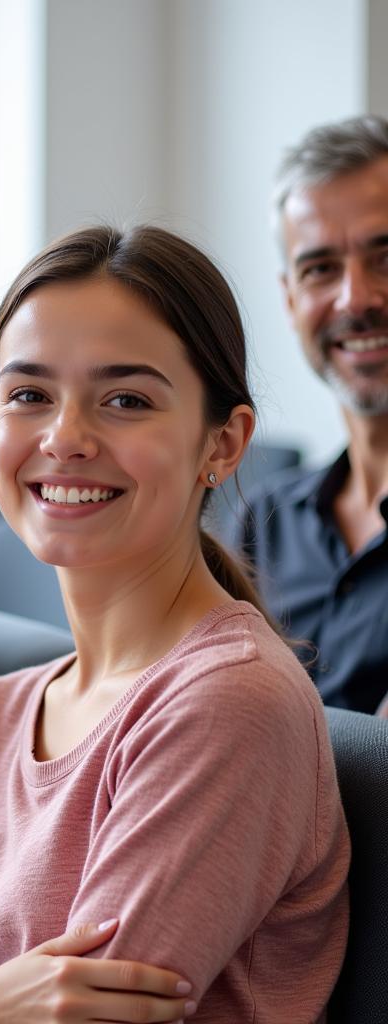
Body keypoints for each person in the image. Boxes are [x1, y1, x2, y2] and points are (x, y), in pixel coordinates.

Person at [0, 226, 350, 1023]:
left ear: (223, 444)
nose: (64, 438)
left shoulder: (229, 704)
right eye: (29, 395)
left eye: (126, 399)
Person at [232, 114, 388, 714]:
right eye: (321, 268)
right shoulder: (262, 524)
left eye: (386, 256)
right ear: (291, 298)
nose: (356, 298)